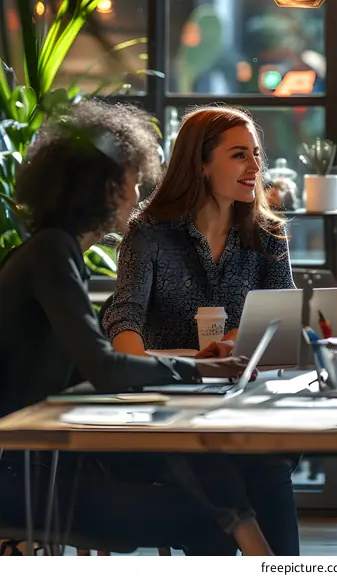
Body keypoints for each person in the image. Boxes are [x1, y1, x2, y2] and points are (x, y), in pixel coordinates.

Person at [0, 100, 278, 556]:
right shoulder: (52, 255)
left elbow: (81, 374)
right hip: (21, 475)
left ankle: (257, 546)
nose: (135, 195)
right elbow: (106, 369)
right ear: (105, 190)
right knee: (205, 517)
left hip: (41, 459)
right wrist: (198, 372)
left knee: (209, 468)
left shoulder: (55, 253)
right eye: (129, 182)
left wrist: (178, 374)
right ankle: (259, 550)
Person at [102, 104, 300, 554]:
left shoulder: (266, 235)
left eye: (255, 154)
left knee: (265, 463)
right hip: (170, 402)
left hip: (242, 399)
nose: (255, 167)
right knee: (225, 467)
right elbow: (123, 315)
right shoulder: (148, 234)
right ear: (200, 163)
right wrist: (155, 367)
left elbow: (282, 316)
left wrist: (241, 343)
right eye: (238, 155)